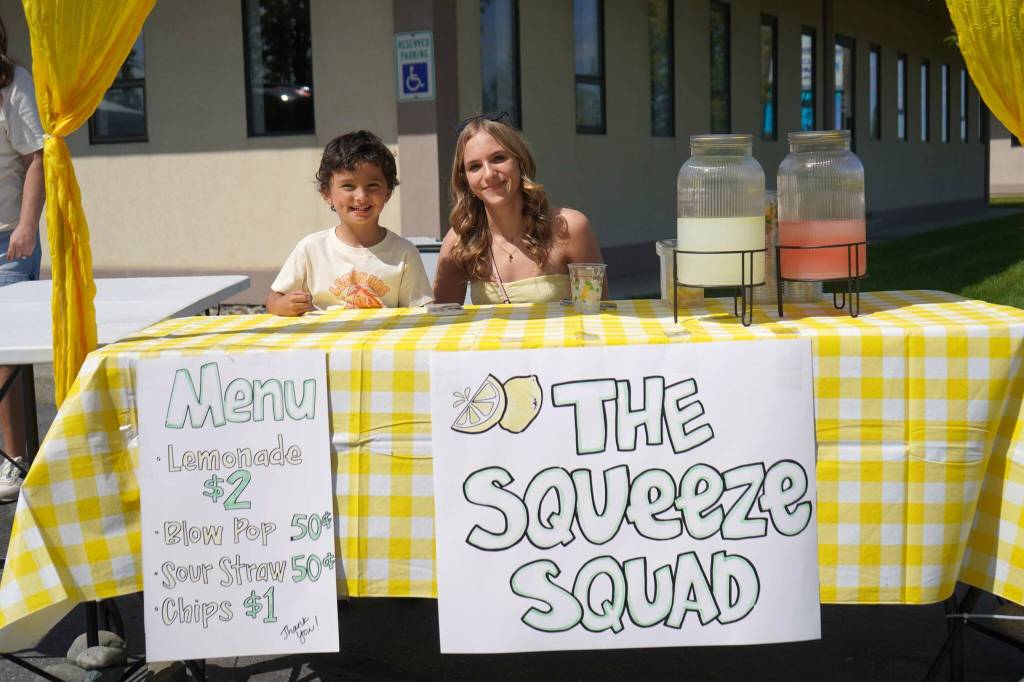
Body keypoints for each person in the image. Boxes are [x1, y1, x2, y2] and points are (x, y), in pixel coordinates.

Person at [433, 113, 603, 305]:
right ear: (465, 179)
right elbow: (442, 322)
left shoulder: (570, 228)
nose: (488, 174)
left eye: (498, 158)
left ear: (520, 162)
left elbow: (597, 314)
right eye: (475, 166)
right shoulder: (460, 240)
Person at [267, 130, 432, 315]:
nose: (361, 196)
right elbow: (274, 299)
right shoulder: (311, 248)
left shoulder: (404, 253)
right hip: (327, 342)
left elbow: (420, 312)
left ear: (388, 192)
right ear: (326, 193)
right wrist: (283, 305)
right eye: (348, 186)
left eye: (372, 185)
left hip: (382, 342)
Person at [0, 16, 45, 503]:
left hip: (6, 241)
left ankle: (14, 459)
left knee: (4, 357)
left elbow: (37, 156)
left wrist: (29, 225)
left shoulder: (13, 83)